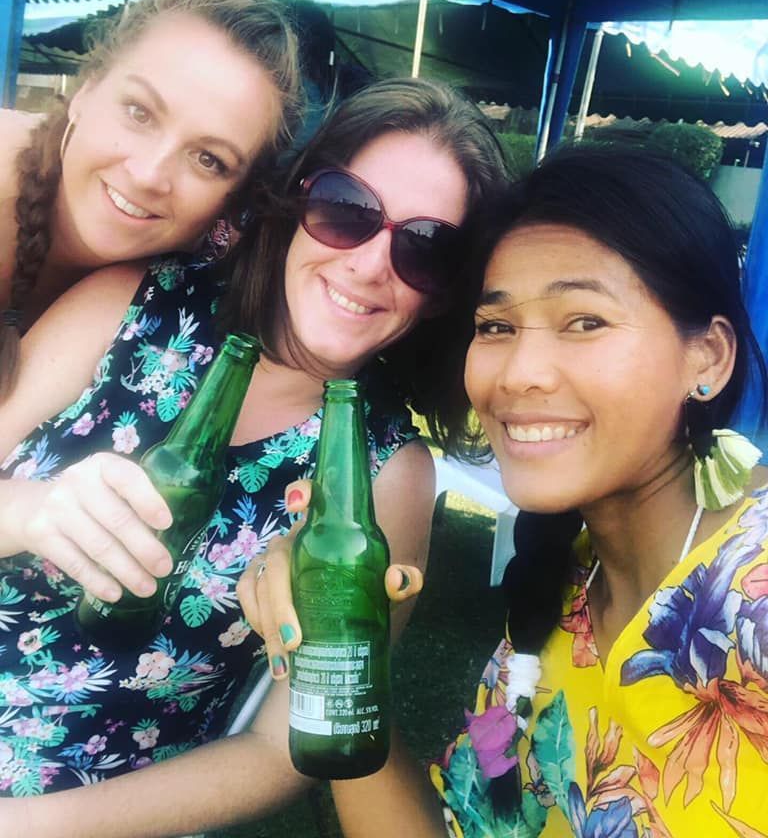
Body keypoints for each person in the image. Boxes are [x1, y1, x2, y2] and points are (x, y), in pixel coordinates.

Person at [0, 78, 507, 837]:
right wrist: (32, 512)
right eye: (348, 210)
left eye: (425, 248)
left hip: (75, 802)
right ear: (299, 205)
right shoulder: (135, 303)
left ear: (444, 294)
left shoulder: (387, 473)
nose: (371, 265)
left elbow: (285, 745)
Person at [242, 145, 768, 837]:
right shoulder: (563, 598)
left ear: (708, 358)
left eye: (585, 321)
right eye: (496, 327)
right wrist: (334, 652)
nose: (519, 373)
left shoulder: (750, 603)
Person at [0, 0, 303, 397]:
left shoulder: (191, 293)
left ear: (232, 203)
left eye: (207, 159)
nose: (148, 174)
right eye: (139, 112)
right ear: (85, 91)